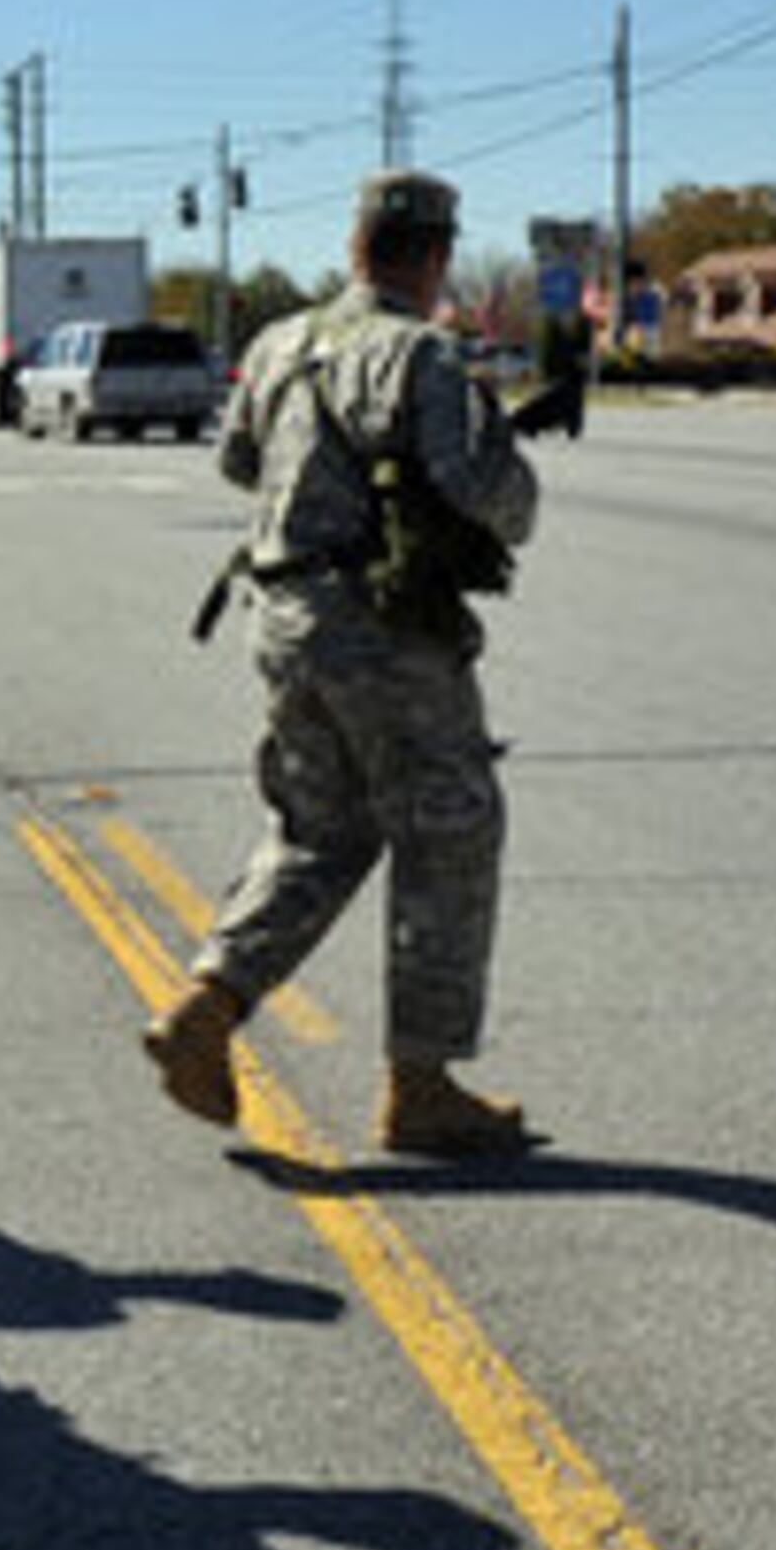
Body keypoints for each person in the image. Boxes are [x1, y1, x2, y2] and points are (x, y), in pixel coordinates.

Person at [144, 169, 542, 1157]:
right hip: (380, 627)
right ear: (438, 254)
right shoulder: (425, 354)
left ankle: (204, 1011)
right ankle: (423, 1084)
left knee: (321, 830)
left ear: (358, 244)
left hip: (280, 615)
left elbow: (239, 462)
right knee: (451, 829)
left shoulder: (285, 342)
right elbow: (496, 496)